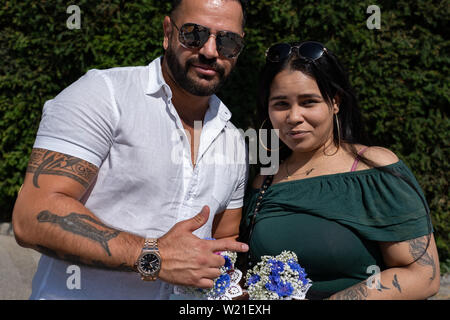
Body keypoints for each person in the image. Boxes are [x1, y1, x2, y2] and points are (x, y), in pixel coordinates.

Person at [12, 0, 250, 300]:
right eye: (194, 34)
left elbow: (223, 240)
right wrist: (153, 256)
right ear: (167, 32)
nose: (210, 51)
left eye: (228, 41)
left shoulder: (232, 139)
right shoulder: (104, 94)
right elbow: (32, 216)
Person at [240, 41, 440, 299]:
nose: (293, 116)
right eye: (281, 104)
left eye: (308, 102)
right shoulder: (264, 180)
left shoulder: (373, 169)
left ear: (335, 102)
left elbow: (425, 276)